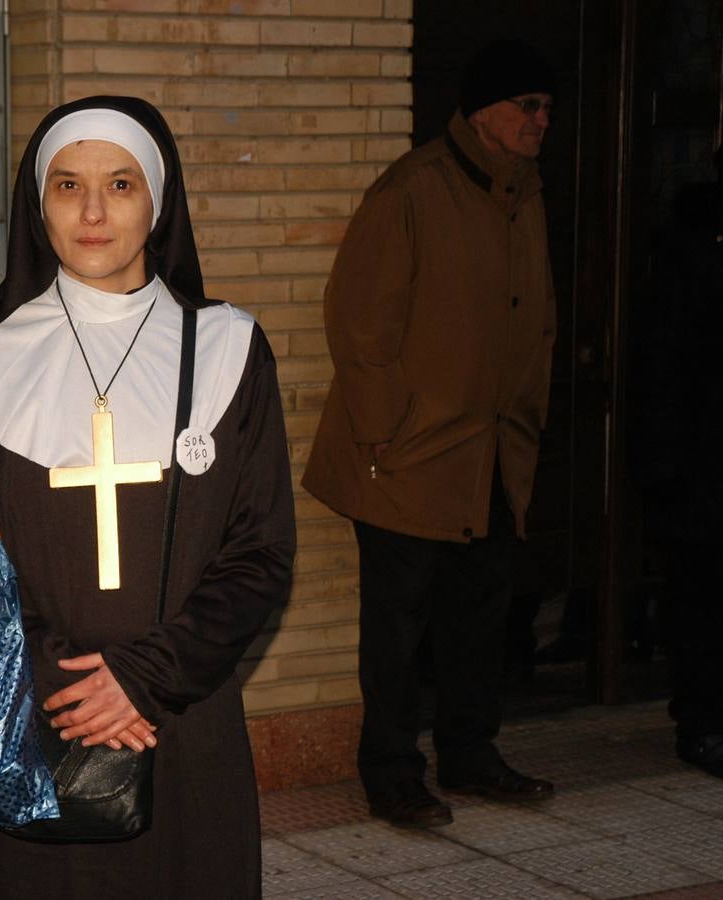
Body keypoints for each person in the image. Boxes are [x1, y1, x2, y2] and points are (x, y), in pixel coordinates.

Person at [0, 97, 296, 896]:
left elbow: (261, 550)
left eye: (121, 184)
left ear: (158, 202)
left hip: (180, 712)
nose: (93, 211)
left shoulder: (226, 347)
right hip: (31, 716)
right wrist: (68, 689)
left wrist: (143, 676)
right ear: (39, 208)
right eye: (67, 186)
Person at [302, 38, 559, 828]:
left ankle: (470, 755)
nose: (540, 120)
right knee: (397, 625)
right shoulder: (414, 188)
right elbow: (358, 322)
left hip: (487, 450)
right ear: (482, 114)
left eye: (546, 108)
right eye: (526, 105)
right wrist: (384, 434)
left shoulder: (522, 189)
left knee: (477, 616)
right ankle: (390, 772)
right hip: (406, 454)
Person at [633, 145, 723, 779]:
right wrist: (668, 471)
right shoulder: (692, 256)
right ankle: (703, 724)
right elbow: (660, 369)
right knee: (702, 601)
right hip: (702, 469)